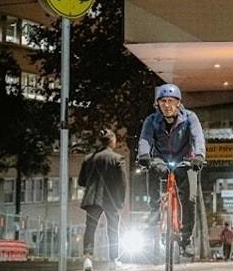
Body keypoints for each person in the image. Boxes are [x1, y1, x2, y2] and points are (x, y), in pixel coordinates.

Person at [136, 83, 206, 258]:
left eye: (171, 101)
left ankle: (186, 238)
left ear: (178, 102)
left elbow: (198, 137)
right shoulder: (151, 120)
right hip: (162, 159)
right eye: (163, 101)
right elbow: (145, 139)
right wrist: (144, 155)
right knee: (151, 170)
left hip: (185, 160)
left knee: (190, 198)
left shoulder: (190, 118)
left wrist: (199, 155)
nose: (167, 105)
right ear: (158, 104)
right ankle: (154, 209)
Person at [79, 129, 127, 271]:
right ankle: (114, 259)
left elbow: (81, 181)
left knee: (90, 228)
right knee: (112, 229)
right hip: (111, 200)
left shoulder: (88, 159)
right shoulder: (118, 159)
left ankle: (87, 258)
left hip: (93, 198)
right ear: (112, 141)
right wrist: (121, 202)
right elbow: (122, 183)